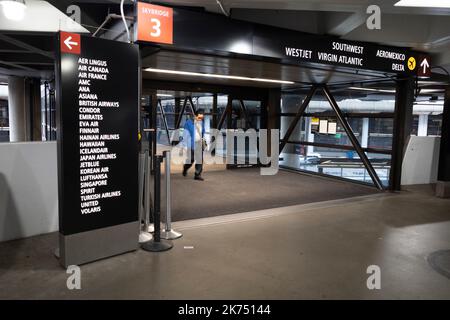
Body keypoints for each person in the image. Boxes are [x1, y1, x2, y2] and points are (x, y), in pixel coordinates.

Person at [182, 112, 206, 180]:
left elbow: (203, 132)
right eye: (199, 117)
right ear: (195, 115)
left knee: (199, 160)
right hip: (191, 144)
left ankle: (197, 175)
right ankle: (185, 168)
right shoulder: (188, 123)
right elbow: (185, 135)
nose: (201, 118)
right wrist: (185, 146)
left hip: (199, 143)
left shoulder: (201, 122)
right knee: (191, 160)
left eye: (202, 117)